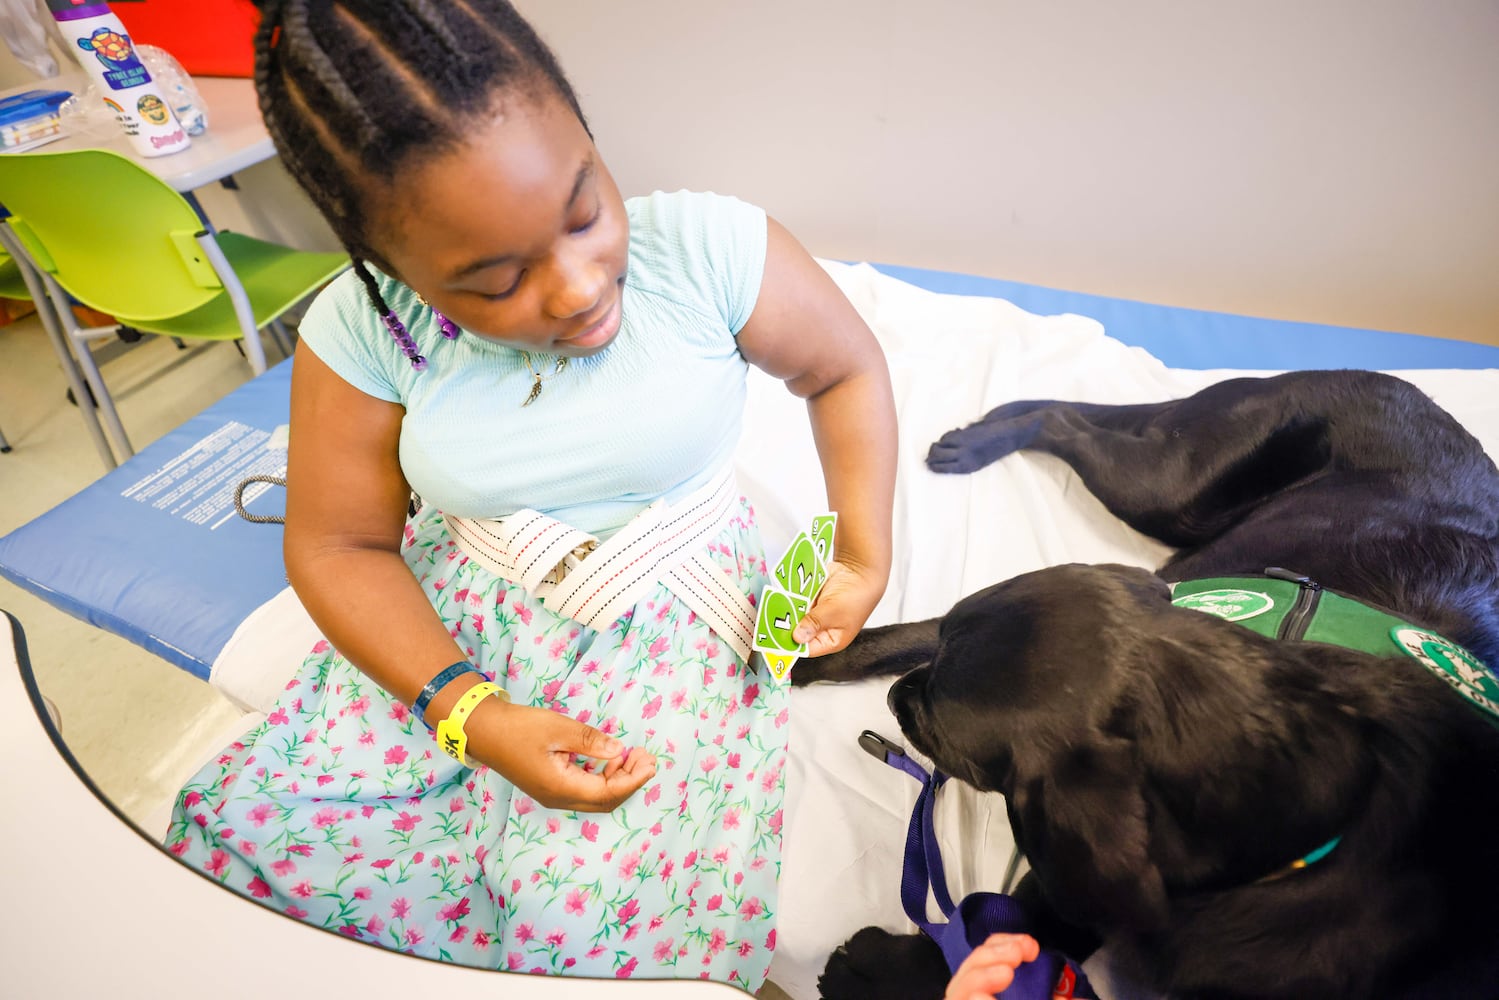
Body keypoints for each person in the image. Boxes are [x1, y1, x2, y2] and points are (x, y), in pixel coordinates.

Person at [165, 0, 895, 992]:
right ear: (388, 269)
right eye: (492, 282)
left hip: (671, 624)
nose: (574, 290)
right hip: (457, 630)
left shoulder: (710, 250)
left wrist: (859, 552)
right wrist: (466, 709)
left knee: (579, 925)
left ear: (585, 136)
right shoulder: (363, 330)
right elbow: (339, 546)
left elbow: (843, 372)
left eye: (583, 212)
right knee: (256, 857)